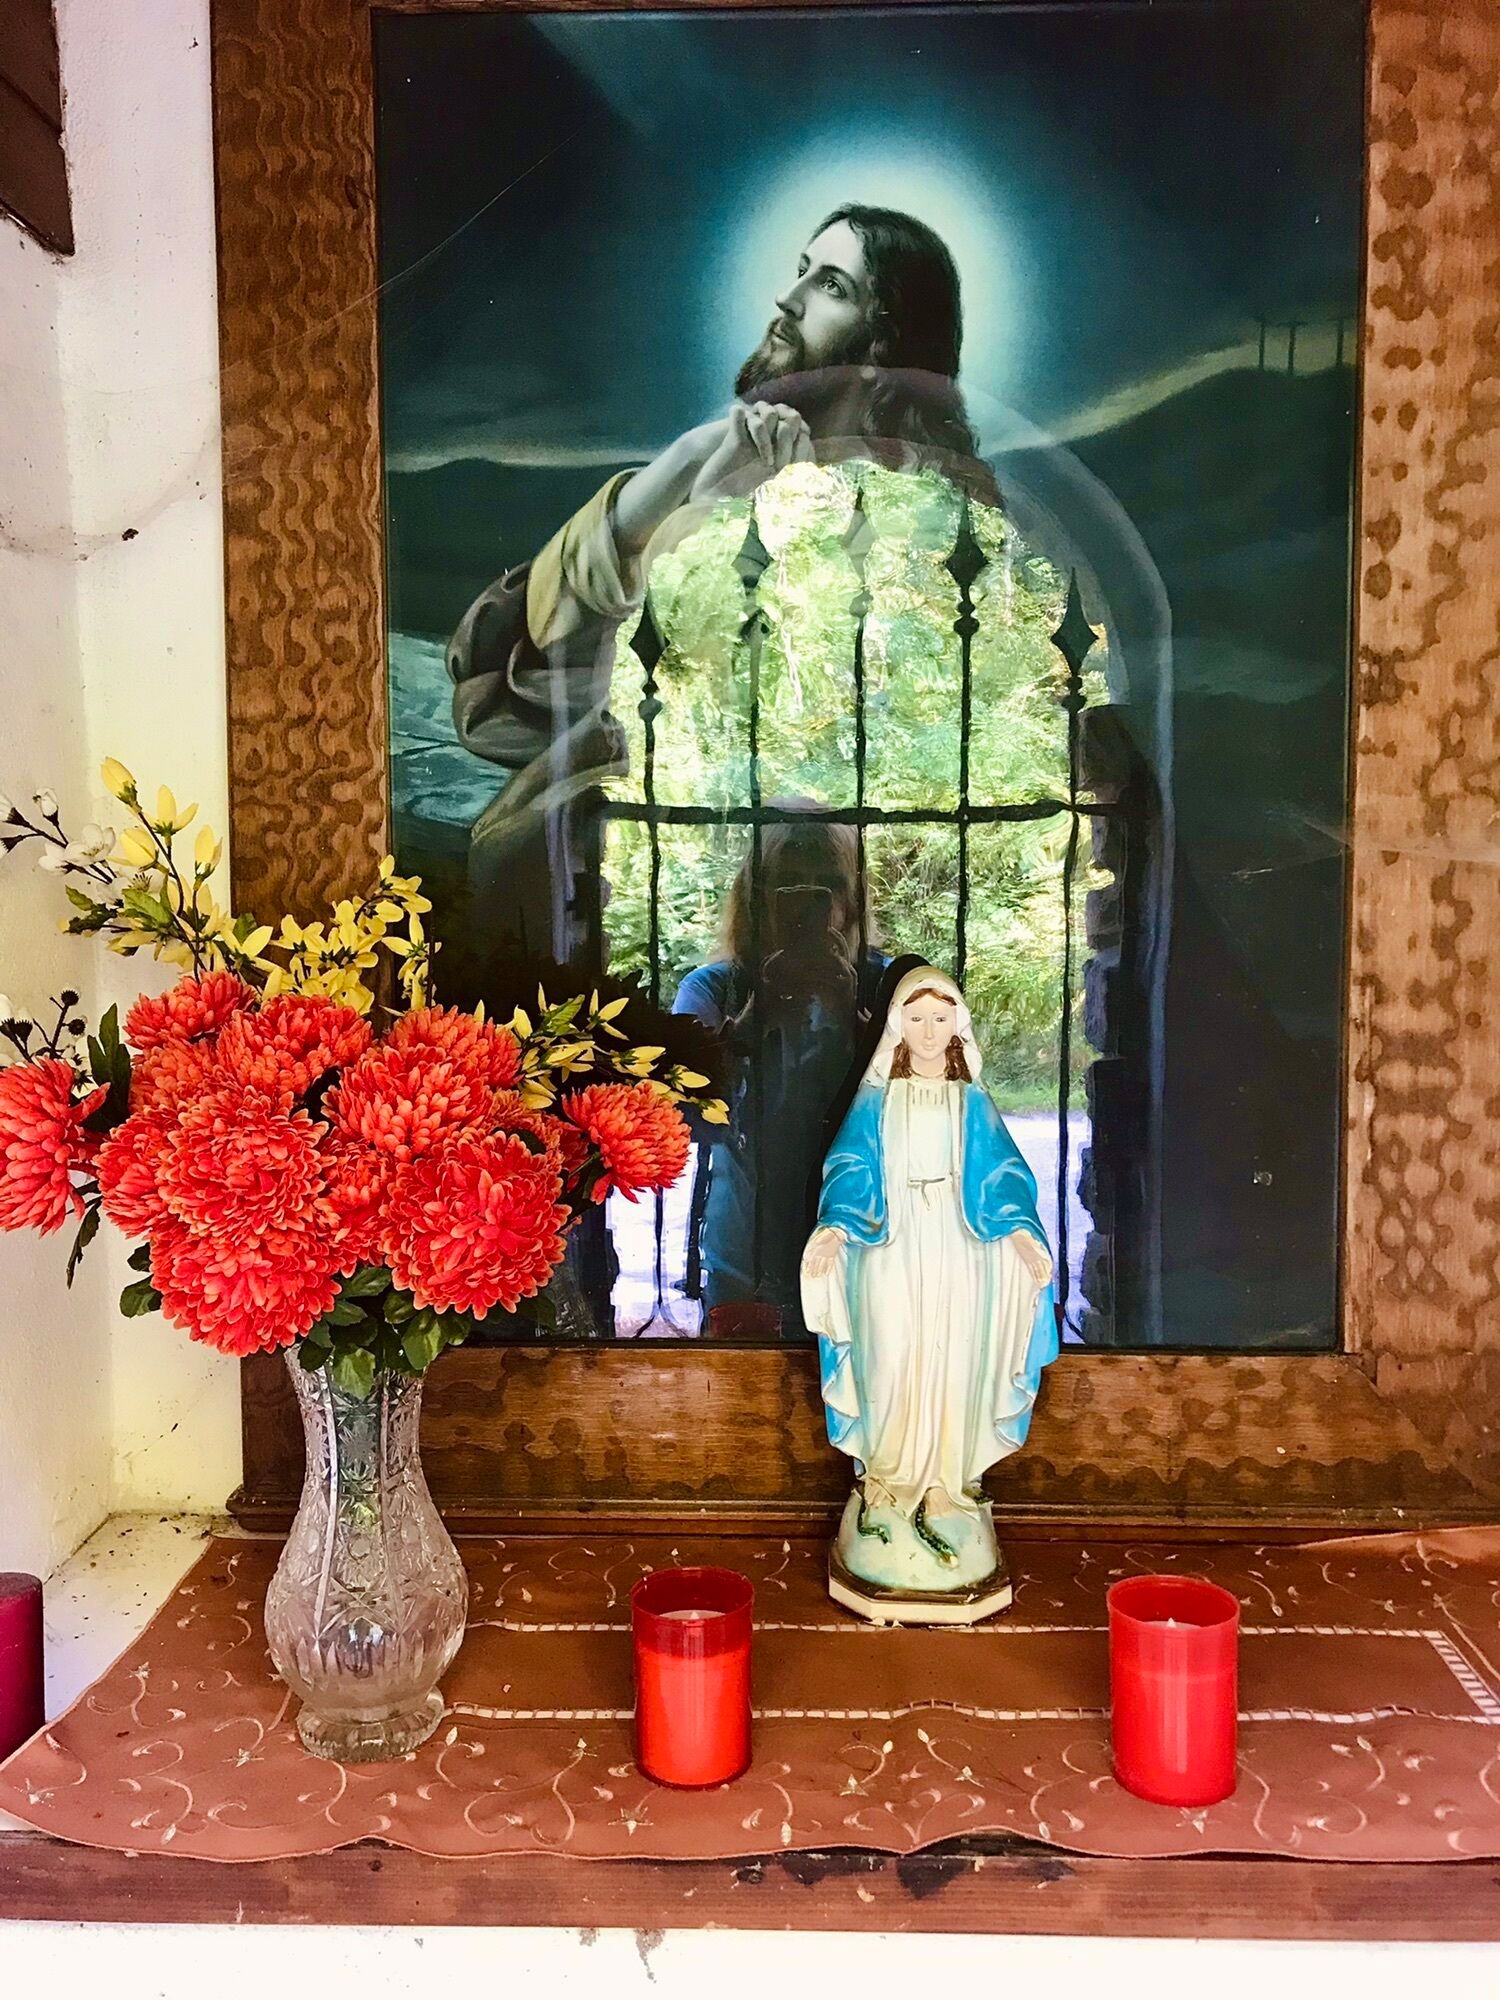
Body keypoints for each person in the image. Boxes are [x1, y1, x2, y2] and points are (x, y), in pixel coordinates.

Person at [447, 205, 999, 966]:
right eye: (800, 270)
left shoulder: (921, 505)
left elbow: (771, 710)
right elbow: (540, 655)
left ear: (881, 347)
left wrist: (719, 511)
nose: (788, 299)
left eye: (830, 285)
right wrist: (684, 466)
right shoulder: (727, 451)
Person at [800, 965, 1057, 1621]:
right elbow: (849, 1168)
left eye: (940, 1018)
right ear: (897, 1025)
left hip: (959, 1250)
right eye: (915, 1018)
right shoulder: (877, 1100)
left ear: (958, 1025)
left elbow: (1004, 1176)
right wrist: (834, 1227)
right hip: (888, 1249)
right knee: (889, 1359)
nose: (928, 1030)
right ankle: (887, 1484)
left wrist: (1021, 1233)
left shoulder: (971, 1102)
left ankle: (946, 1483)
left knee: (953, 1362)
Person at [673, 800, 889, 1336]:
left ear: (851, 901)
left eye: (827, 886)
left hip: (871, 1245)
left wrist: (852, 1016)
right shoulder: (713, 989)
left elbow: (938, 1108)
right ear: (756, 897)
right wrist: (756, 1015)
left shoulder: (891, 986)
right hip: (744, 1255)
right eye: (789, 886)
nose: (810, 904)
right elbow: (680, 1116)